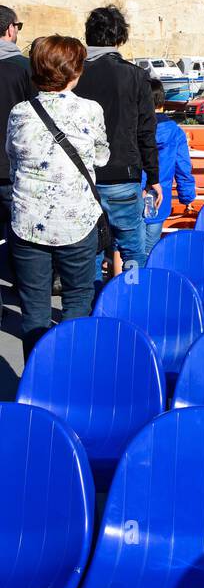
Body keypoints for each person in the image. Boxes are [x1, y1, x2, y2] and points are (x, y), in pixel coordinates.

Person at [6, 35, 110, 359]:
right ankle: (71, 372)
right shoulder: (90, 110)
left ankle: (37, 380)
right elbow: (102, 157)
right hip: (76, 220)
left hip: (27, 221)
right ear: (74, 72)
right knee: (78, 300)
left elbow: (13, 159)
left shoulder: (20, 112)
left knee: (34, 310)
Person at [73, 6, 160, 289]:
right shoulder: (135, 76)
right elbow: (146, 132)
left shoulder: (75, 75)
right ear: (120, 37)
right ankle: (131, 298)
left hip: (84, 177)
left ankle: (95, 301)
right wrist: (154, 178)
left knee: (92, 250)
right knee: (133, 249)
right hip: (124, 174)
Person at [0, 4, 33, 314]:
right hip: (14, 169)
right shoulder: (24, 69)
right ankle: (23, 289)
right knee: (20, 234)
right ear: (10, 29)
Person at [142, 81, 197, 257]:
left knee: (126, 245)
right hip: (160, 197)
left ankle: (126, 280)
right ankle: (142, 280)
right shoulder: (175, 132)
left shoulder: (132, 128)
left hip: (133, 193)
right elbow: (183, 166)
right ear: (162, 102)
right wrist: (186, 195)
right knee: (150, 247)